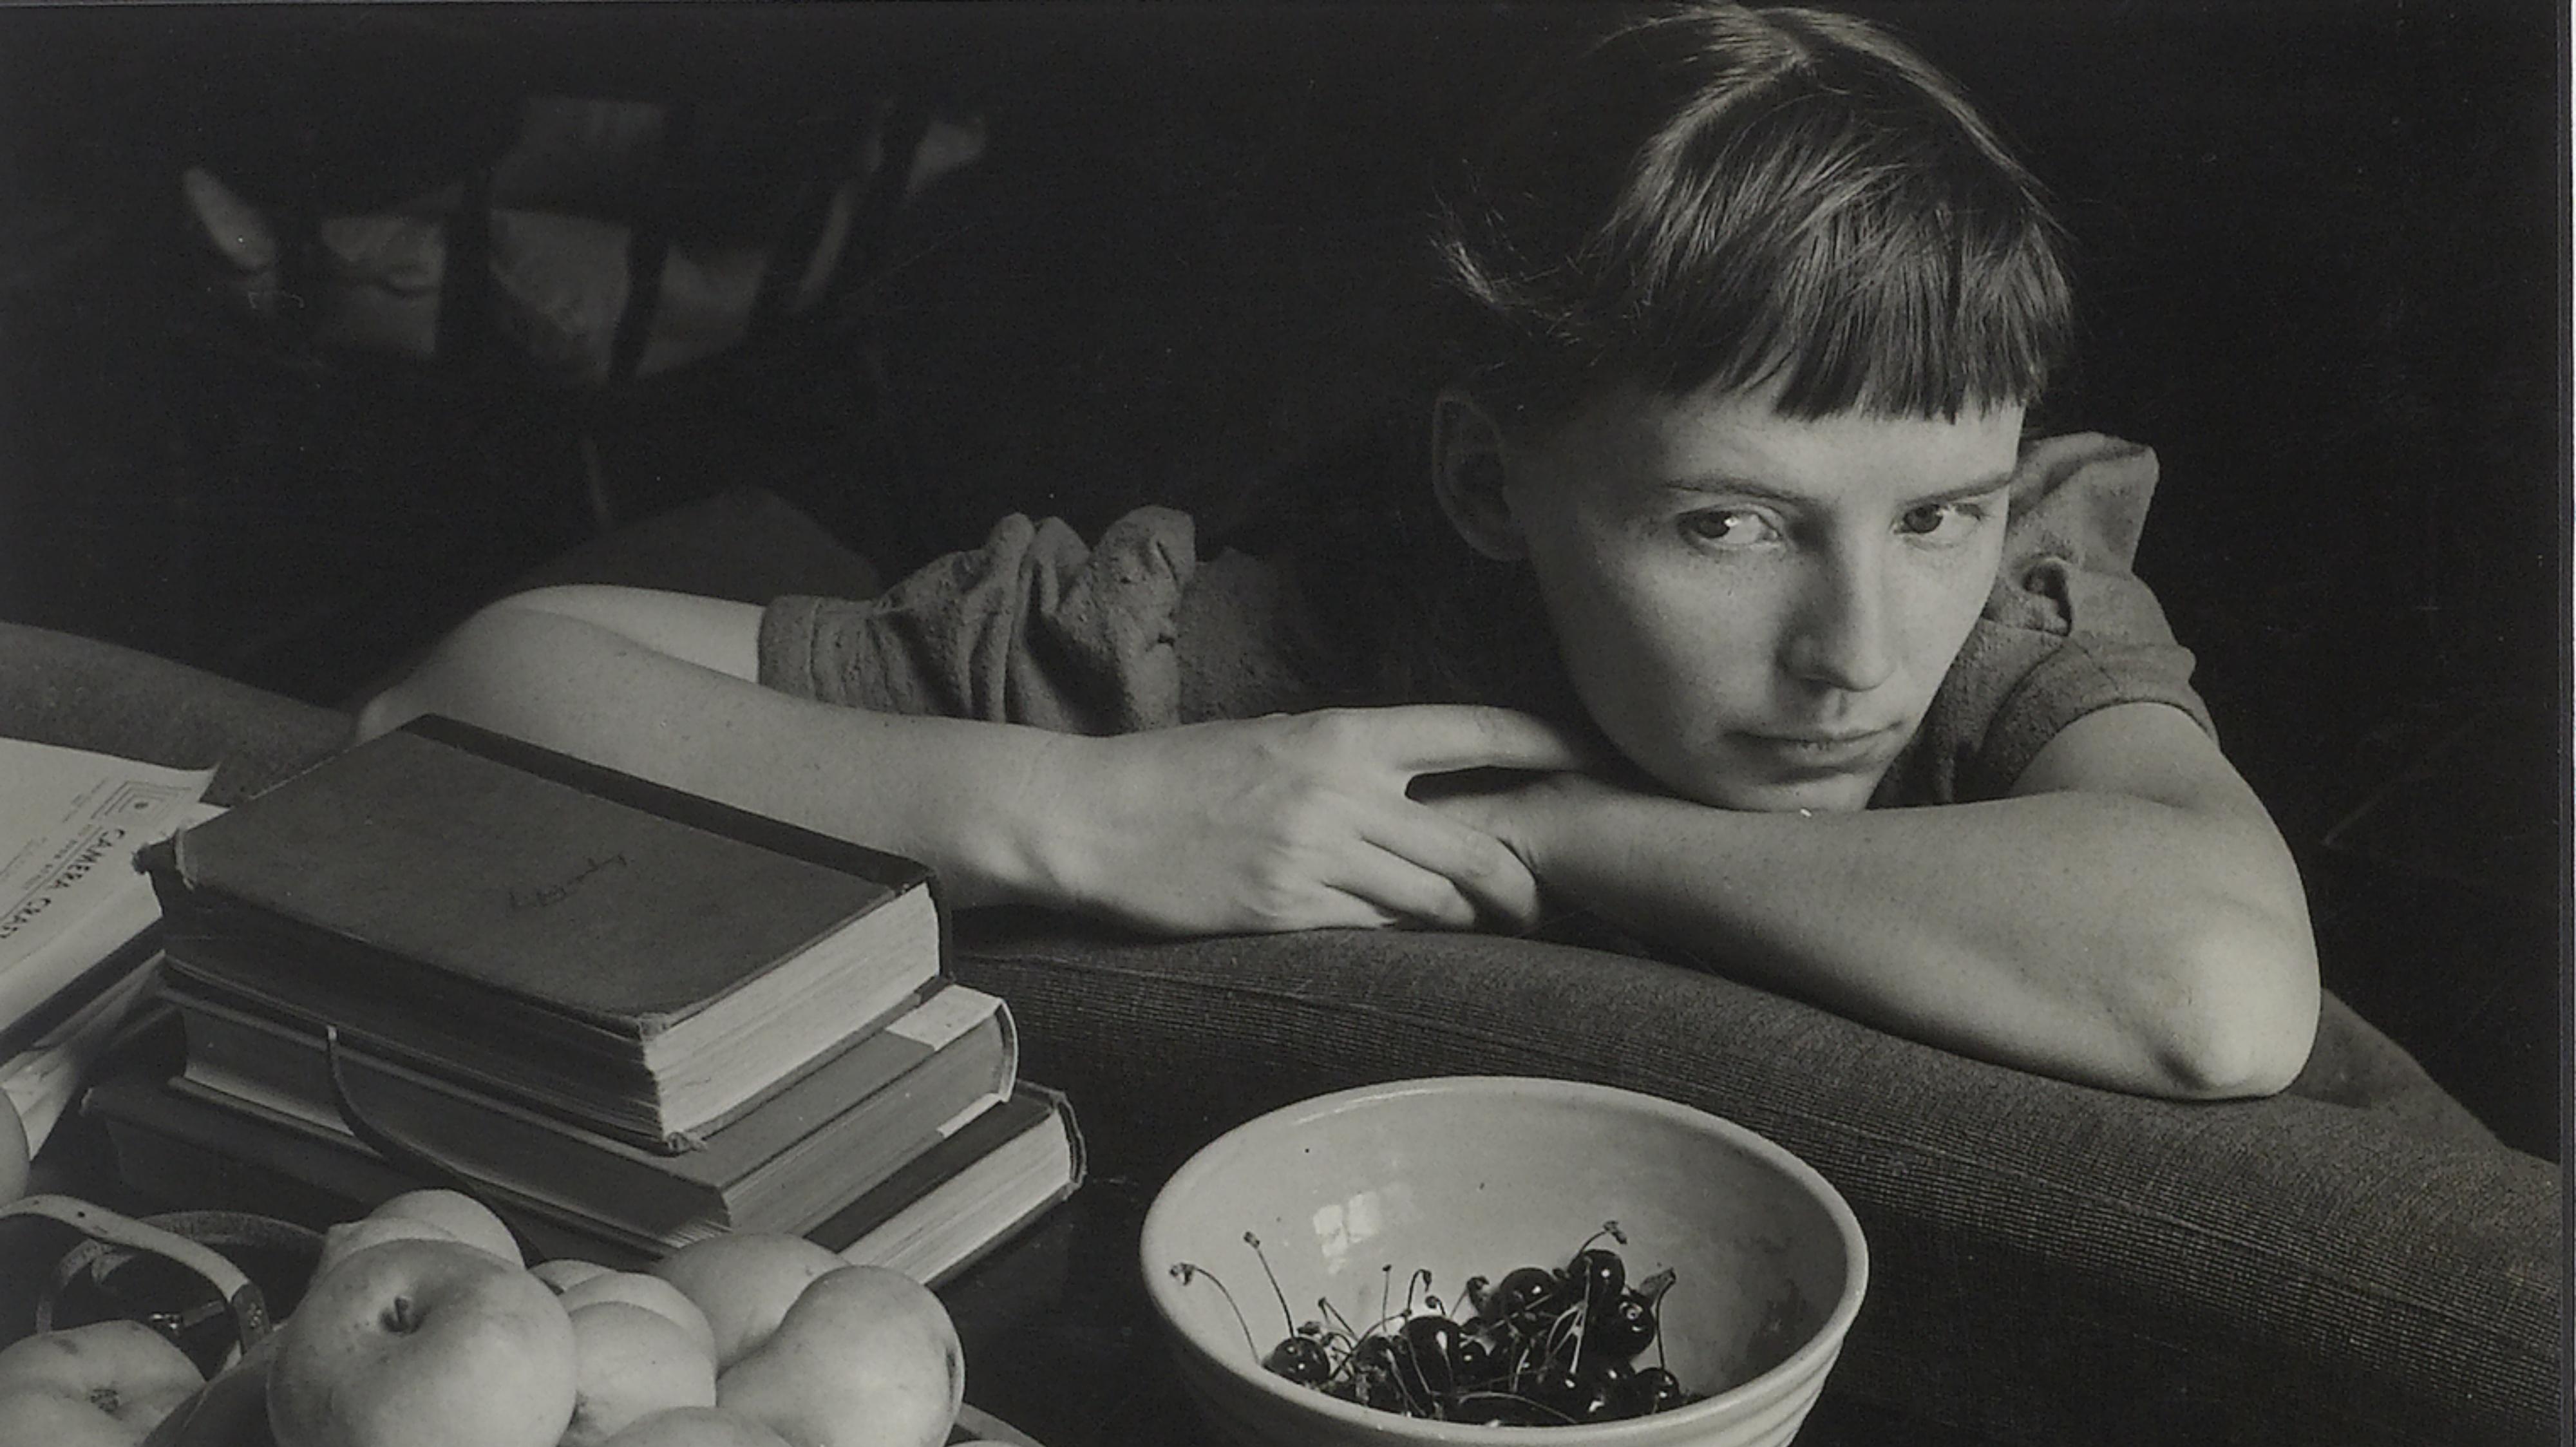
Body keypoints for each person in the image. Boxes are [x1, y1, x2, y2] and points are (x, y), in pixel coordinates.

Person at [359, 2, 2320, 1102]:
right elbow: (460, 695)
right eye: (1726, 524)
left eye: (1941, 515)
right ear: (1491, 485)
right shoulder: (1259, 665)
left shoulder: (2012, 613)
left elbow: (2222, 996)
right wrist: (1084, 810)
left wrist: (1550, 834)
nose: (1859, 649)